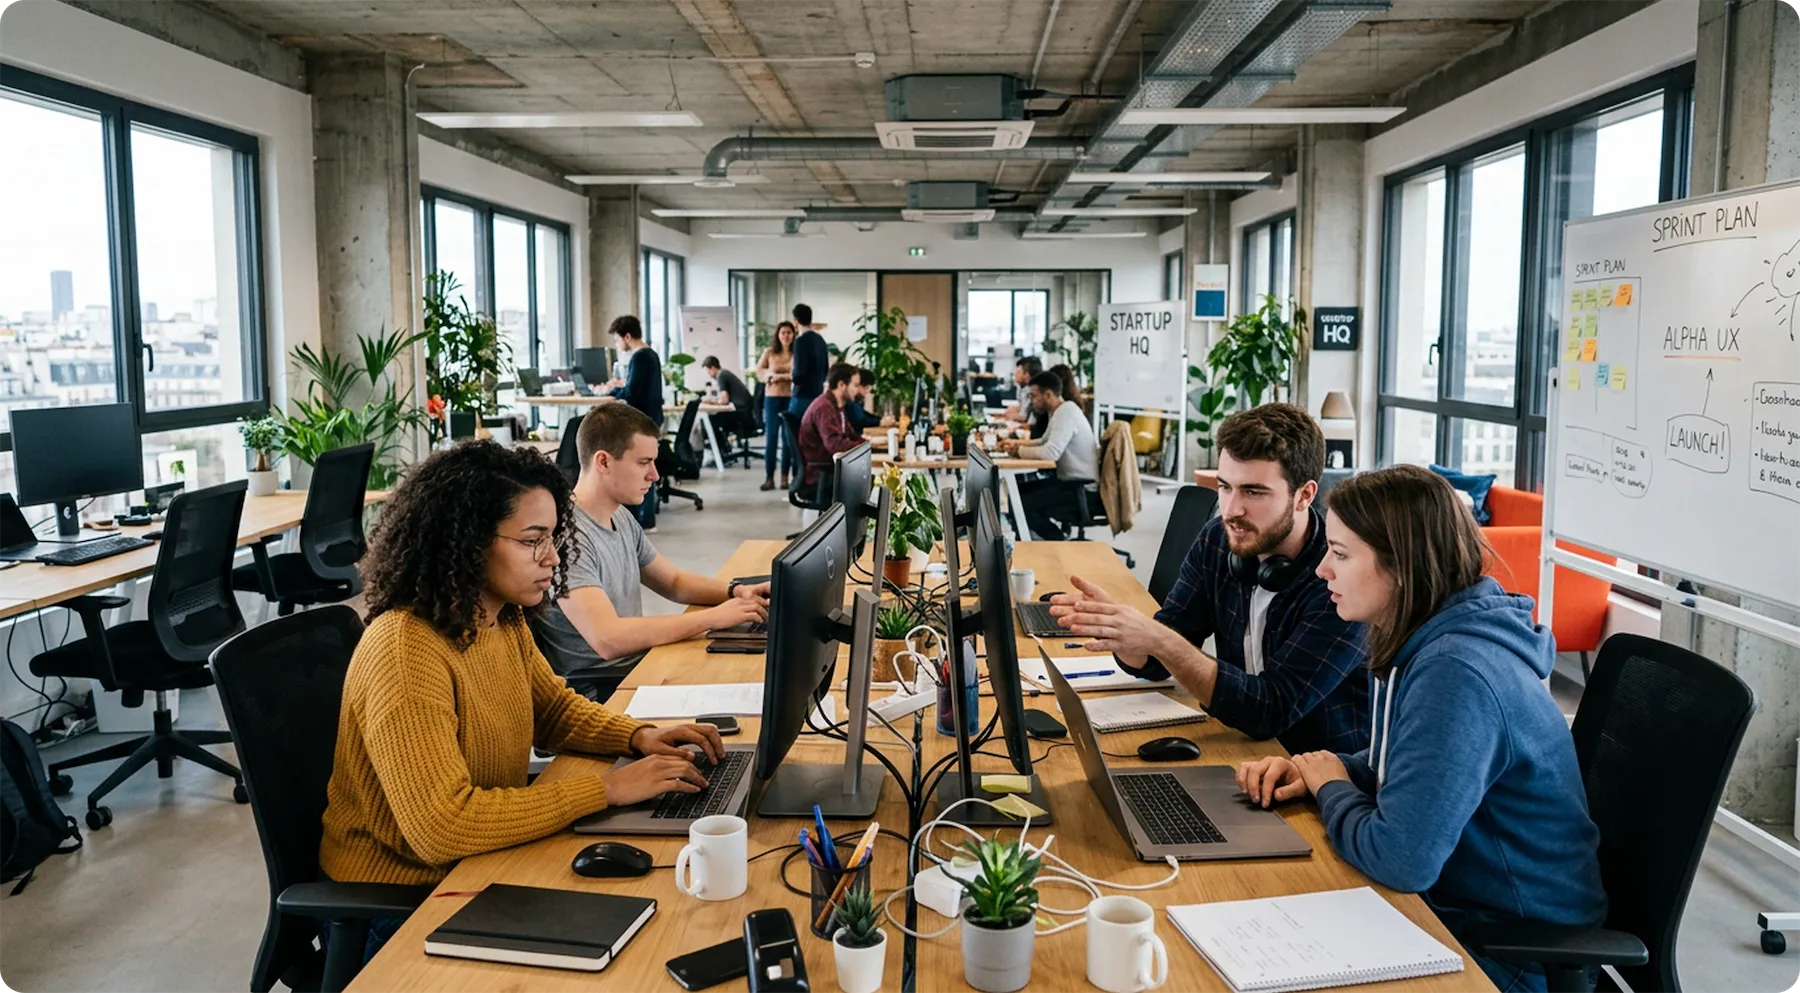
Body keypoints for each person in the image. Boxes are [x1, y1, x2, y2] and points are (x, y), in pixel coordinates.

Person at [319, 441, 724, 961]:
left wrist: (638, 736)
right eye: (532, 540)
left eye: (552, 537)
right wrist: (606, 790)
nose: (552, 557)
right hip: (400, 903)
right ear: (465, 543)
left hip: (472, 866)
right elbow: (442, 826)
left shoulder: (498, 615)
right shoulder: (406, 650)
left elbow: (552, 710)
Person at [1237, 464, 1606, 993]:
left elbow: (1401, 859)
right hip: (1461, 909)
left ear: (1402, 567)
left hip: (1511, 954)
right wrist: (1333, 768)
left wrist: (1332, 788)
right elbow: (1412, 766)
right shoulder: (1427, 634)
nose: (1322, 571)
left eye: (1340, 555)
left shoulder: (1458, 672)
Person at [1048, 403, 1370, 755]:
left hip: (1315, 776)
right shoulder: (1219, 540)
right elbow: (1161, 656)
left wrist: (1159, 639)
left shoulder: (1339, 577)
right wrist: (1128, 638)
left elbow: (1270, 710)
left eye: (1254, 492)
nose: (1232, 509)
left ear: (1304, 495)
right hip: (1241, 747)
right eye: (1225, 487)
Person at [536, 404, 770, 673]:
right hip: (599, 688)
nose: (655, 475)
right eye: (643, 462)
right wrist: (714, 618)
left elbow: (673, 582)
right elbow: (608, 639)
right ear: (603, 462)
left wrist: (735, 591)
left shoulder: (619, 516)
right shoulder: (568, 535)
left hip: (633, 665)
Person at [996, 370, 1097, 540]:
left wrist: (1019, 451)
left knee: (1017, 502)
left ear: (1048, 395)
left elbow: (1051, 453)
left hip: (1080, 487)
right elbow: (1043, 441)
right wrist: (1016, 444)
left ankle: (1059, 542)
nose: (1031, 401)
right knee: (1016, 492)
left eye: (1034, 396)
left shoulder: (1066, 413)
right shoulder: (1059, 411)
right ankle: (1046, 540)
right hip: (1068, 481)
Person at [604, 315, 663, 531]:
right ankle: (646, 519)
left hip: (641, 422)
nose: (618, 345)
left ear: (627, 336)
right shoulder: (652, 355)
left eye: (617, 340)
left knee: (641, 469)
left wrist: (610, 390)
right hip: (651, 419)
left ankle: (644, 520)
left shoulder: (640, 357)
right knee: (646, 467)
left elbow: (631, 393)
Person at [797, 362, 869, 492]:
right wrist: (866, 446)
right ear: (842, 385)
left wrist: (867, 444)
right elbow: (835, 445)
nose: (857, 390)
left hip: (832, 469)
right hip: (822, 475)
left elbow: (850, 435)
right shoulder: (825, 408)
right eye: (855, 385)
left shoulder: (837, 406)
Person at [756, 321, 797, 491]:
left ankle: (785, 478)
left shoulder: (796, 353)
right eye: (783, 333)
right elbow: (759, 371)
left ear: (793, 335)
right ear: (778, 335)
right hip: (772, 399)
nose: (786, 336)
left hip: (789, 398)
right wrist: (768, 375)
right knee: (771, 439)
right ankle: (769, 477)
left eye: (789, 332)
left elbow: (796, 374)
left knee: (788, 440)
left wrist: (779, 377)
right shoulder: (769, 352)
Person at [788, 302, 829, 429]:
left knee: (791, 434)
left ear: (795, 321)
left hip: (802, 396)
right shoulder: (820, 340)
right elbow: (826, 368)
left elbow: (799, 374)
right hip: (817, 394)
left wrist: (792, 375)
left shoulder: (800, 341)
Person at [700, 355, 754, 450]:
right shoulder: (725, 373)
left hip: (741, 413)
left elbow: (724, 401)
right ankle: (724, 449)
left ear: (712, 368)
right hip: (746, 412)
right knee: (714, 418)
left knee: (710, 421)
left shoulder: (721, 375)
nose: (708, 374)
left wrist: (710, 401)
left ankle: (721, 452)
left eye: (708, 371)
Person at [844, 368, 894, 432]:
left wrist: (880, 419)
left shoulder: (856, 401)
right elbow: (860, 421)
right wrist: (880, 422)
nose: (867, 392)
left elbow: (863, 414)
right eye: (866, 388)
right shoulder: (850, 401)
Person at [1002, 355, 1043, 423]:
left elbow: (1023, 417)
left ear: (1026, 375)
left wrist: (1010, 416)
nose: (1015, 375)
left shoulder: (1032, 391)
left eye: (1018, 372)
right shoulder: (1023, 388)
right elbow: (1024, 408)